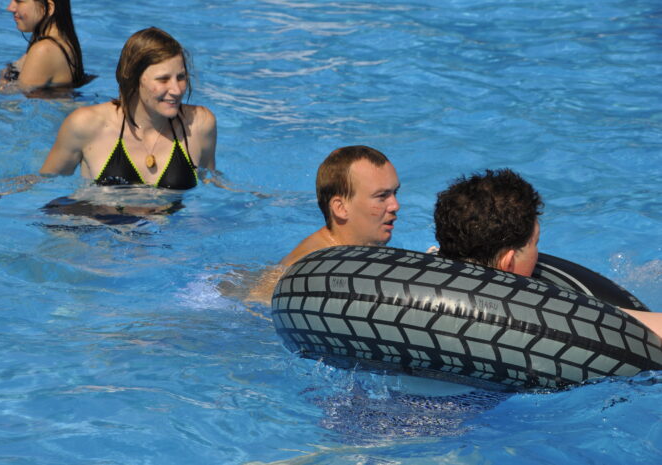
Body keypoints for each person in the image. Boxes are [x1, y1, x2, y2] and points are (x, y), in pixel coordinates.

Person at [432, 168, 662, 339]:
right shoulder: (548, 312)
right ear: (508, 262)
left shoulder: (423, 284)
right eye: (535, 243)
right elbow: (638, 327)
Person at [40, 26, 216, 188]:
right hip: (96, 212)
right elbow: (44, 185)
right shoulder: (86, 125)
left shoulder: (199, 124)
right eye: (163, 79)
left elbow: (212, 184)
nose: (177, 90)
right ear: (133, 78)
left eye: (181, 77)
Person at [246, 145, 400, 303]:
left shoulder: (355, 251)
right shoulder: (307, 268)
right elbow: (256, 304)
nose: (395, 205)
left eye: (395, 193)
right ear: (341, 208)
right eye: (382, 196)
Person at [0, 0, 90, 94]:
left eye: (19, 1)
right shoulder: (59, 39)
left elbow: (10, 97)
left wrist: (5, 76)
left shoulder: (44, 49)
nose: (10, 8)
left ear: (49, 8)